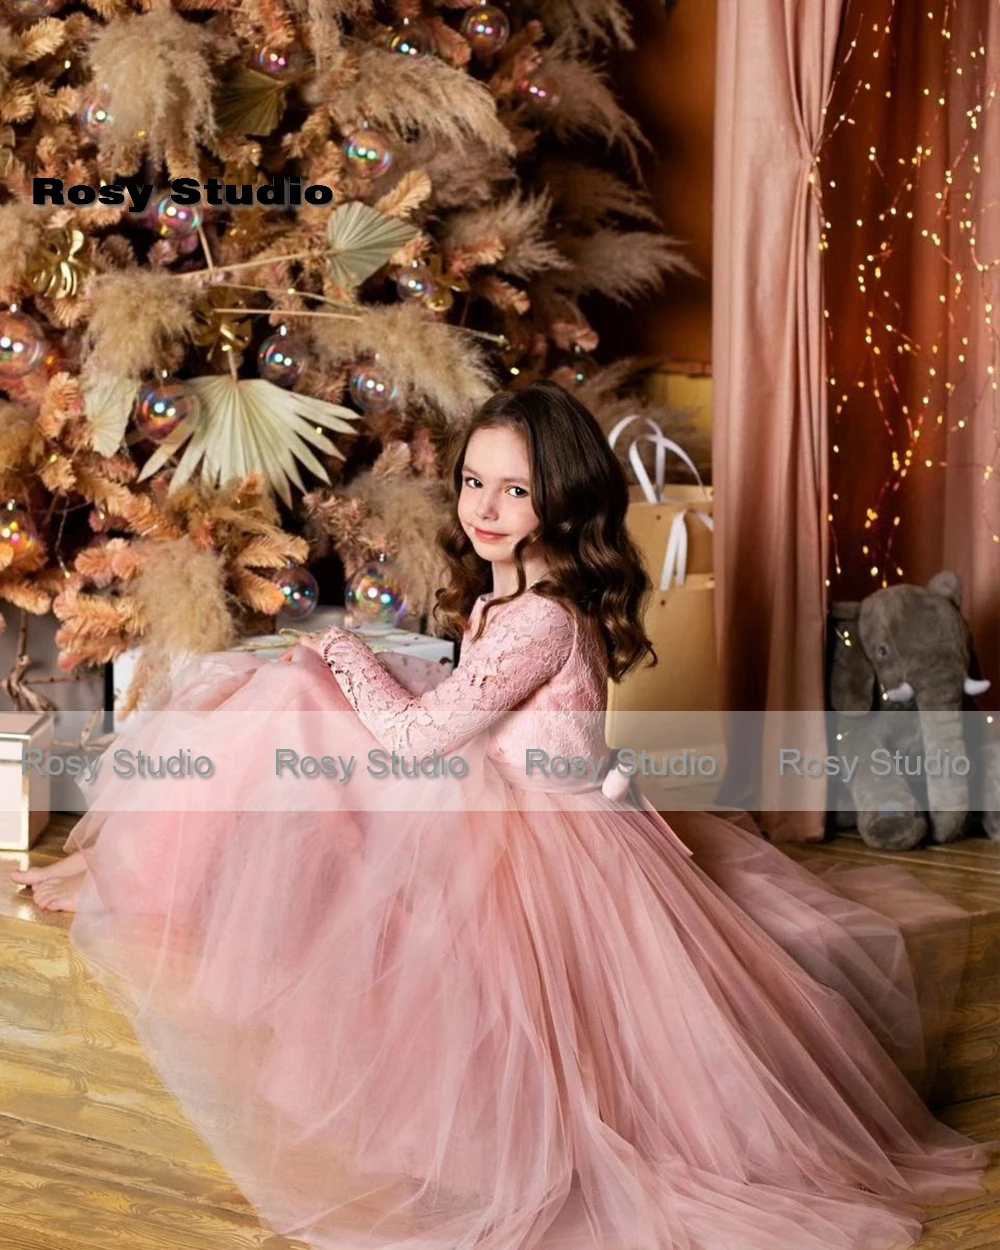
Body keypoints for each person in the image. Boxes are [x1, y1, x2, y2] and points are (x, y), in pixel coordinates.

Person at [12, 380, 997, 1250]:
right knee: (318, 730)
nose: (484, 508)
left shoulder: (534, 614)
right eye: (474, 481)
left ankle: (183, 892)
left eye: (514, 490)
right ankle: (188, 885)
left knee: (308, 706)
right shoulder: (520, 593)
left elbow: (416, 738)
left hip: (551, 846)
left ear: (560, 498)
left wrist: (338, 650)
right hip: (538, 809)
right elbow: (472, 705)